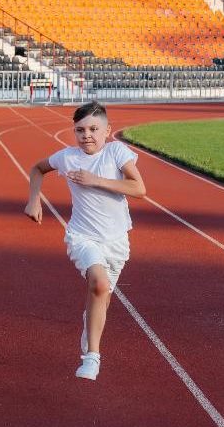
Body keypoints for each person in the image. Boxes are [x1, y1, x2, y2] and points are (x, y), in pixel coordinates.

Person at [24, 101, 146, 381]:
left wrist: (95, 180)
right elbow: (37, 169)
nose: (87, 135)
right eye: (80, 130)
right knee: (99, 284)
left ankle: (89, 325)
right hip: (82, 235)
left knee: (101, 299)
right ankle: (92, 356)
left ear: (107, 131)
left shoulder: (116, 151)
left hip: (116, 241)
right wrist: (34, 201)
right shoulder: (67, 157)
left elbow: (139, 188)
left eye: (93, 129)